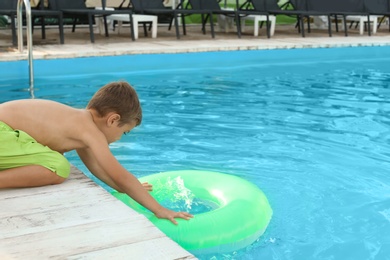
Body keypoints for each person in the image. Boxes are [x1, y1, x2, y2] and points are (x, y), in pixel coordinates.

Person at [0, 81, 193, 225]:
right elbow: (120, 174)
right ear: (112, 120)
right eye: (124, 131)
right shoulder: (90, 132)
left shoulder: (80, 124)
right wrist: (159, 209)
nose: (120, 137)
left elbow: (98, 168)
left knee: (54, 157)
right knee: (57, 166)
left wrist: (120, 188)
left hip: (5, 137)